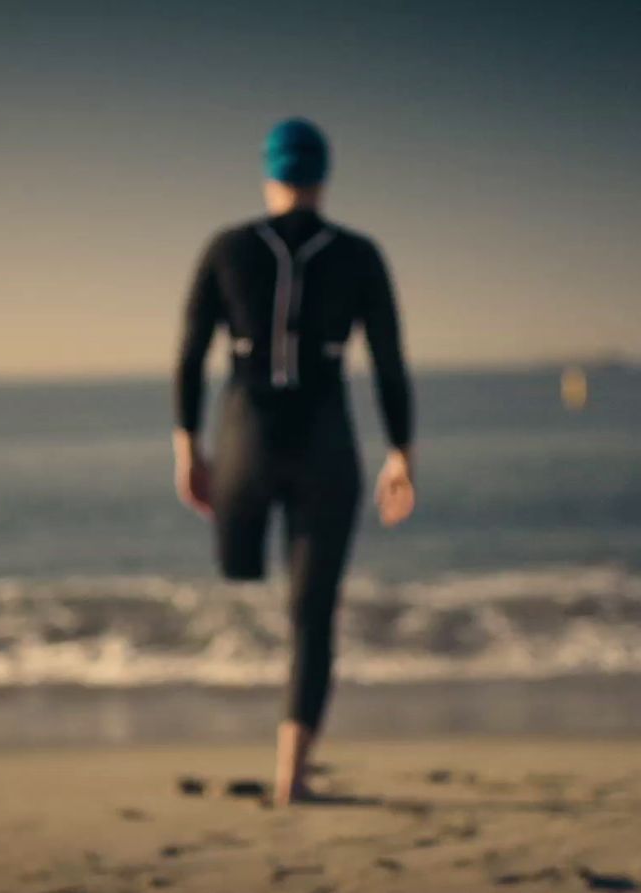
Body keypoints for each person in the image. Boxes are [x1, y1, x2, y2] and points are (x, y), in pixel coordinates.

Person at [172, 117, 416, 805]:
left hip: (245, 435)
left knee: (237, 578)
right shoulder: (361, 255)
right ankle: (292, 773)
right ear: (323, 176)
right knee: (311, 615)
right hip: (325, 441)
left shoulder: (226, 247)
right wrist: (402, 452)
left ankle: (217, 719)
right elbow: (390, 364)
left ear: (269, 174)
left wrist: (187, 447)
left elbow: (190, 355)